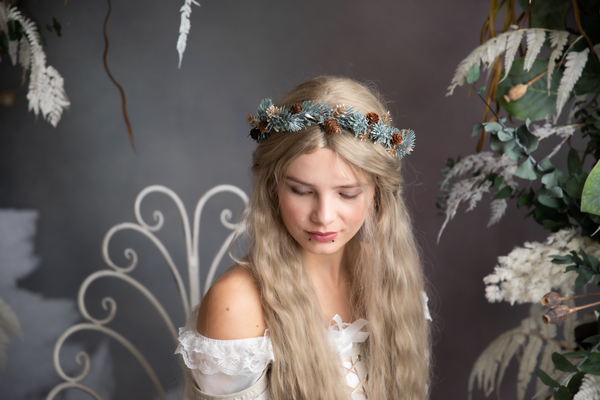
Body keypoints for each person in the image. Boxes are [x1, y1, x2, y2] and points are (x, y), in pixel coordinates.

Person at [176, 76, 431, 400]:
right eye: (301, 190)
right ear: (273, 187)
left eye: (347, 194)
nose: (323, 216)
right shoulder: (236, 305)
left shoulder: (390, 277)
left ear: (377, 194)